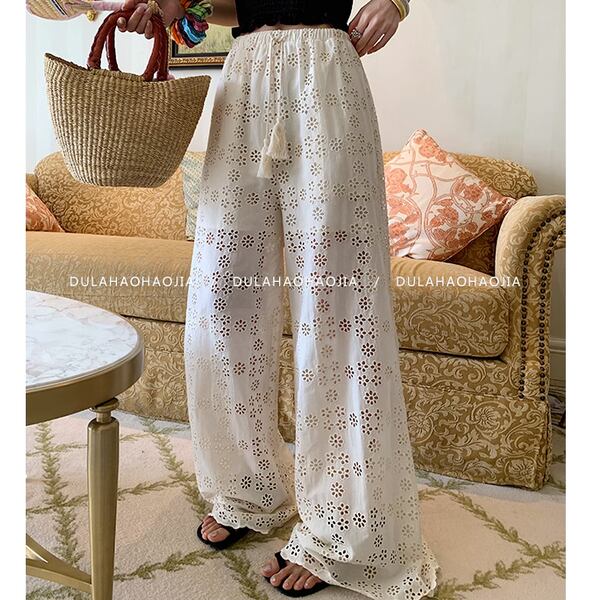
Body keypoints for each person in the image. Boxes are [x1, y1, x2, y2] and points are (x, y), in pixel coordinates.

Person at [120, 1, 440, 597]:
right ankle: (245, 488)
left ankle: (345, 530)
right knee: (222, 300)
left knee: (339, 305)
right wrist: (166, 8)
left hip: (325, 70)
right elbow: (226, 6)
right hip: (243, 76)